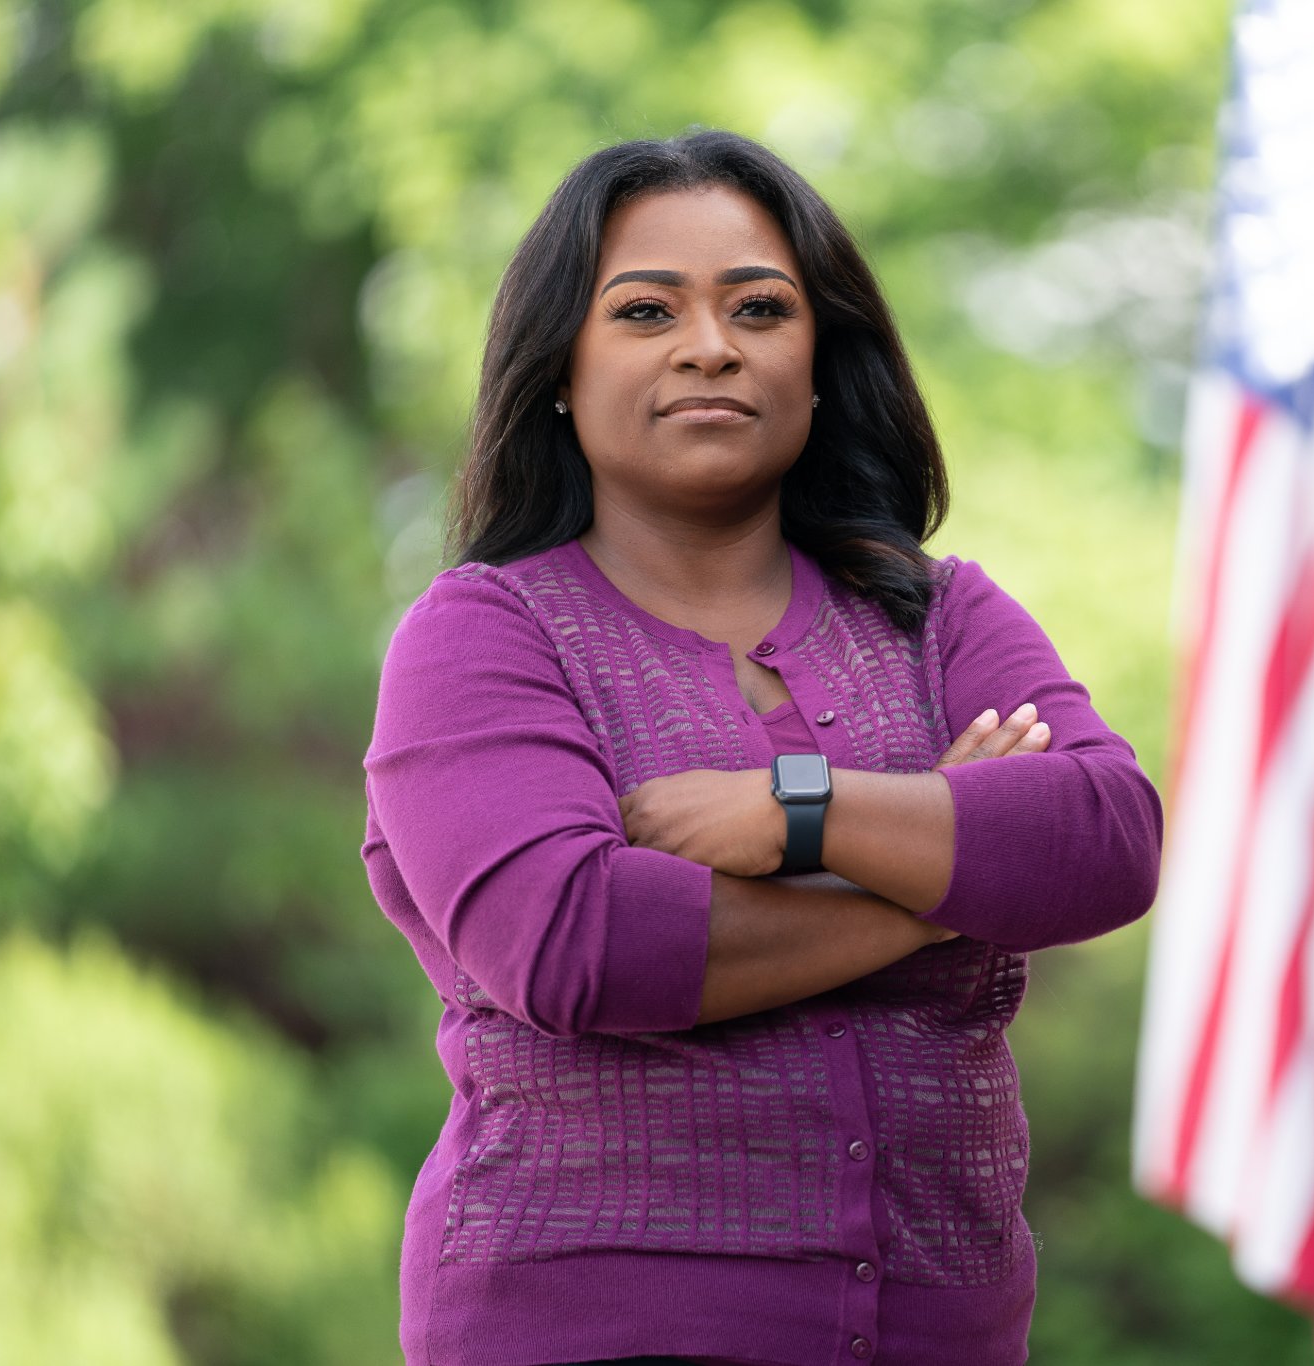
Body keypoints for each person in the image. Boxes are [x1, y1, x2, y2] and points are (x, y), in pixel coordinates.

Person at [360, 128, 1162, 1366]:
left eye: (758, 307)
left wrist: (806, 808)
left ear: (820, 361)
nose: (709, 344)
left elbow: (1106, 836)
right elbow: (576, 943)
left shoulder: (940, 615)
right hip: (590, 1329)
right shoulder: (480, 635)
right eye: (643, 310)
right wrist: (945, 876)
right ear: (559, 372)